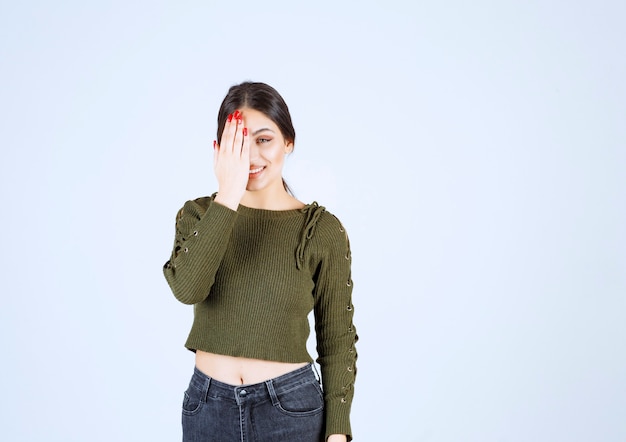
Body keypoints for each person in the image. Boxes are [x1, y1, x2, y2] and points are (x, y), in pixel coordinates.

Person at [163, 81, 357, 442]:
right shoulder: (199, 215)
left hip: (291, 409)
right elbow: (188, 288)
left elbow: (338, 338)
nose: (251, 156)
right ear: (219, 150)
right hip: (208, 407)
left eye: (263, 140)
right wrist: (229, 194)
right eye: (238, 143)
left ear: (289, 142)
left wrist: (338, 431)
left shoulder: (320, 230)